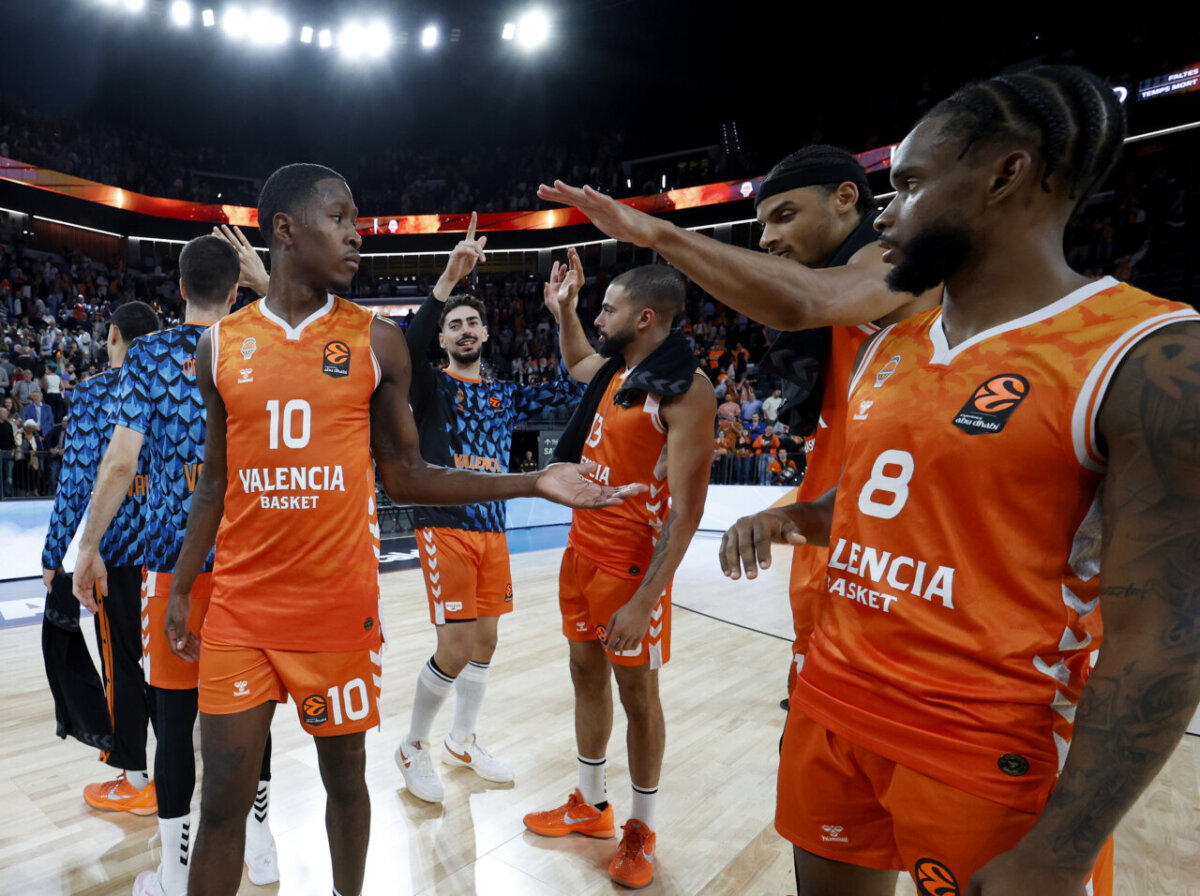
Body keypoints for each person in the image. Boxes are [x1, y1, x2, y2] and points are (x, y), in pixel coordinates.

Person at [720, 65, 1200, 895]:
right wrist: (799, 519)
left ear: (1006, 174)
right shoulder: (887, 344)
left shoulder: (1151, 353)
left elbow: (1165, 635)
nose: (886, 211)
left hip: (985, 749)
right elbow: (892, 507)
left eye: (907, 184)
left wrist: (1065, 847)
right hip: (833, 706)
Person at [159, 163, 644, 896]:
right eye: (340, 216)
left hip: (335, 612)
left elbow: (408, 474)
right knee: (222, 802)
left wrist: (532, 479)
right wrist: (183, 587)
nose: (358, 232)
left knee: (345, 785)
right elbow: (215, 487)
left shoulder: (377, 342)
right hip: (238, 611)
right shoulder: (220, 347)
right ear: (285, 230)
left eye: (358, 217)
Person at [73, 238, 277, 896]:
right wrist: (268, 282)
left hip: (175, 571)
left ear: (180, 286)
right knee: (252, 711)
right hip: (251, 566)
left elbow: (120, 464)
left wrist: (87, 547)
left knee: (174, 718)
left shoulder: (152, 356)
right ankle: (262, 842)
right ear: (235, 288)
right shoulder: (262, 344)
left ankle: (175, 868)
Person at [522, 251, 716, 890]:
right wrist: (567, 312)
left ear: (647, 317)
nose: (601, 316)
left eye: (608, 308)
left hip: (632, 570)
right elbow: (578, 360)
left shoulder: (685, 391)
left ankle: (642, 826)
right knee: (583, 673)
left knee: (639, 697)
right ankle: (591, 802)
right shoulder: (617, 366)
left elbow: (686, 514)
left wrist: (643, 602)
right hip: (581, 551)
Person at [395, 214, 584, 803]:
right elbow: (406, 345)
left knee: (485, 643)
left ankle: (462, 739)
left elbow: (578, 385)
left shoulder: (504, 391)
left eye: (474, 321)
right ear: (445, 340)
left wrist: (564, 315)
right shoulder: (430, 386)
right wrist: (448, 280)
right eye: (455, 325)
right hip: (444, 526)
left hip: (492, 532)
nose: (466, 330)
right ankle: (412, 746)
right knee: (452, 647)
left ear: (486, 333)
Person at [44, 302, 160, 812]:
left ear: (113, 334)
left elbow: (76, 483)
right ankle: (182, 765)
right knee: (171, 666)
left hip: (117, 556)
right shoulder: (177, 384)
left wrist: (56, 552)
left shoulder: (94, 393)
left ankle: (135, 782)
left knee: (126, 669)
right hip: (175, 553)